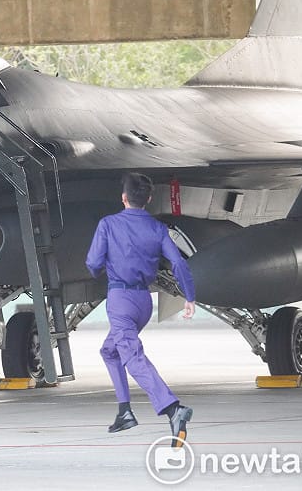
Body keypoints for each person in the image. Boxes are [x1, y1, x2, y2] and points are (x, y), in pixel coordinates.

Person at [85, 173, 195, 448]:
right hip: (144, 301)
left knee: (133, 357)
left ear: (123, 198)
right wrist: (189, 296)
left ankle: (173, 409)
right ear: (149, 199)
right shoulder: (158, 228)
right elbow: (178, 263)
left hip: (120, 299)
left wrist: (101, 269)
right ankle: (124, 411)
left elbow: (93, 263)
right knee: (110, 351)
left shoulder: (108, 224)